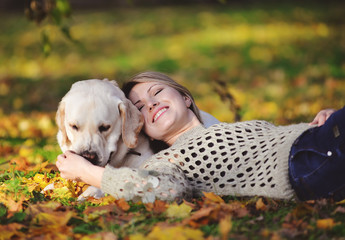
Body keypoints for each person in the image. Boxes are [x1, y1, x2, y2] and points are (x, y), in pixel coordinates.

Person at [56, 71, 345, 203]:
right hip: (307, 163)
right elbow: (163, 190)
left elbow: (271, 141)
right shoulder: (172, 157)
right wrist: (90, 173)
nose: (151, 104)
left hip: (317, 142)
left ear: (185, 97)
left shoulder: (218, 129)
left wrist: (318, 123)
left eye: (157, 92)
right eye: (141, 108)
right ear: (142, 128)